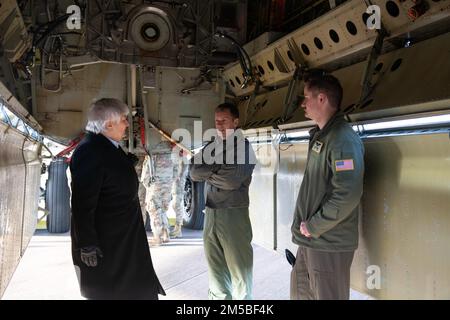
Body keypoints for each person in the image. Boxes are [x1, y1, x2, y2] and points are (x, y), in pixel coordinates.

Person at [70, 98, 165, 300]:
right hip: (109, 247)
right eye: (123, 119)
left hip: (122, 242)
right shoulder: (90, 151)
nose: (127, 124)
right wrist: (86, 243)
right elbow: (82, 204)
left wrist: (124, 164)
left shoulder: (106, 146)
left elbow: (109, 176)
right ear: (108, 124)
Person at [290, 70, 365, 300]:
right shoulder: (324, 136)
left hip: (328, 242)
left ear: (321, 99)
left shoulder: (341, 139)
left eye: (306, 97)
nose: (303, 103)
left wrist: (315, 225)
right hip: (312, 240)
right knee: (301, 293)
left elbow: (347, 194)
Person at [189, 102, 256, 300]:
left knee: (240, 271)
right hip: (211, 213)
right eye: (216, 121)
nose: (219, 125)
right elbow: (193, 172)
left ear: (235, 122)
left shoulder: (244, 148)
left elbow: (230, 181)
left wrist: (209, 170)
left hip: (233, 213)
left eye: (223, 121)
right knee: (216, 271)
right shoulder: (212, 145)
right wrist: (219, 166)